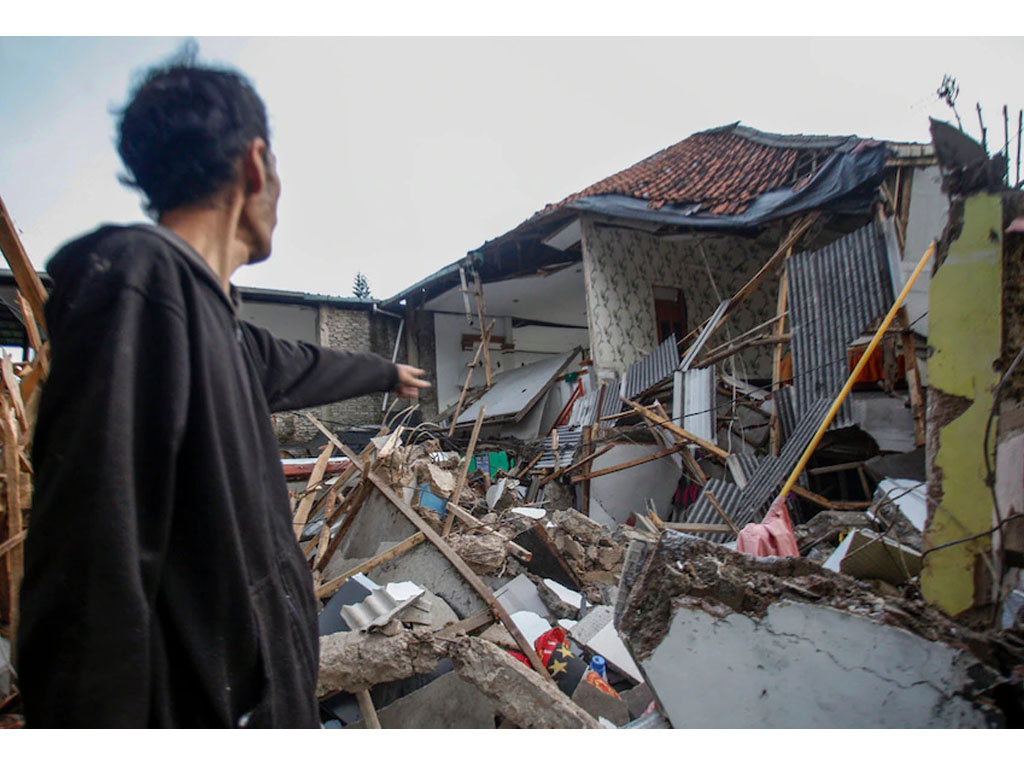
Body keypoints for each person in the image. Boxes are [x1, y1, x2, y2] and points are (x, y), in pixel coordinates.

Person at [16, 56, 429, 727]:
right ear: (255, 165)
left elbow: (302, 364)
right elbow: (86, 588)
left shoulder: (216, 325)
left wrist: (387, 373)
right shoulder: (140, 285)